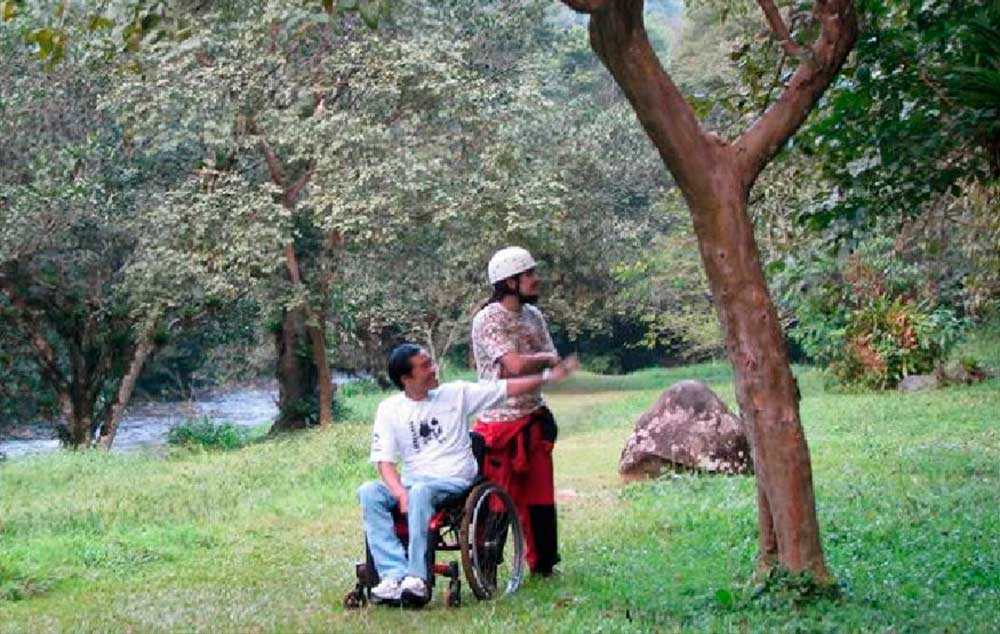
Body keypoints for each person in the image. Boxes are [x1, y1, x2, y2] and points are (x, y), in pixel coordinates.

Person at [358, 342, 578, 606]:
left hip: (454, 480)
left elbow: (504, 389)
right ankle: (393, 576)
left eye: (431, 363)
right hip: (413, 482)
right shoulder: (389, 409)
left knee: (419, 492)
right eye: (425, 366)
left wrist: (547, 377)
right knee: (369, 492)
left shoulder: (456, 394)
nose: (433, 369)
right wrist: (398, 494)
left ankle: (417, 579)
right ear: (406, 379)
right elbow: (384, 461)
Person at [470, 246, 563, 576]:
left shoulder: (534, 316)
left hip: (532, 417)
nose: (536, 279)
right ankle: (487, 567)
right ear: (509, 281)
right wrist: (542, 361)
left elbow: (549, 354)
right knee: (497, 501)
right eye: (529, 274)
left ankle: (543, 564)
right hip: (498, 424)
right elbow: (513, 364)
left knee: (540, 496)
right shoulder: (488, 319)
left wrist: (540, 361)